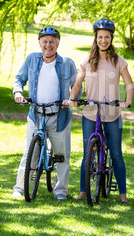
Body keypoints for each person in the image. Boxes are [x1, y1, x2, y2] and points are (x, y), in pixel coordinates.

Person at [69, 19, 134, 204]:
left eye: (107, 37)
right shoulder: (87, 60)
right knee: (87, 153)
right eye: (100, 37)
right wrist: (73, 98)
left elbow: (130, 85)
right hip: (90, 111)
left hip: (112, 113)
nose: (103, 40)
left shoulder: (118, 60)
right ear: (95, 38)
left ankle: (123, 195)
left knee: (116, 154)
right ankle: (83, 190)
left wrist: (127, 100)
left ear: (111, 38)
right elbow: (77, 84)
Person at [12, 27, 81, 200]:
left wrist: (72, 100)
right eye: (45, 41)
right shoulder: (32, 60)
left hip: (59, 115)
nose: (48, 45)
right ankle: (20, 189)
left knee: (61, 155)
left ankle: (60, 191)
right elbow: (19, 78)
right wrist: (18, 93)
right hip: (36, 113)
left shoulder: (67, 63)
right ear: (40, 43)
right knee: (29, 153)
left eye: (52, 41)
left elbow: (77, 85)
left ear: (58, 44)